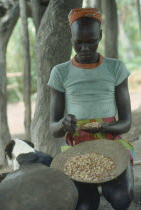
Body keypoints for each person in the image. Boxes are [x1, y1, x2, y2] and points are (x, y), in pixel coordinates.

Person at [47, 8, 134, 210]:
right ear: (71, 39)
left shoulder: (115, 68)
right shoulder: (60, 72)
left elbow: (126, 123)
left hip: (112, 146)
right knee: (85, 206)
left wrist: (104, 126)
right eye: (79, 42)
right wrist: (64, 124)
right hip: (78, 150)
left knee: (122, 197)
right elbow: (53, 128)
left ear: (100, 36)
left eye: (91, 41)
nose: (85, 48)